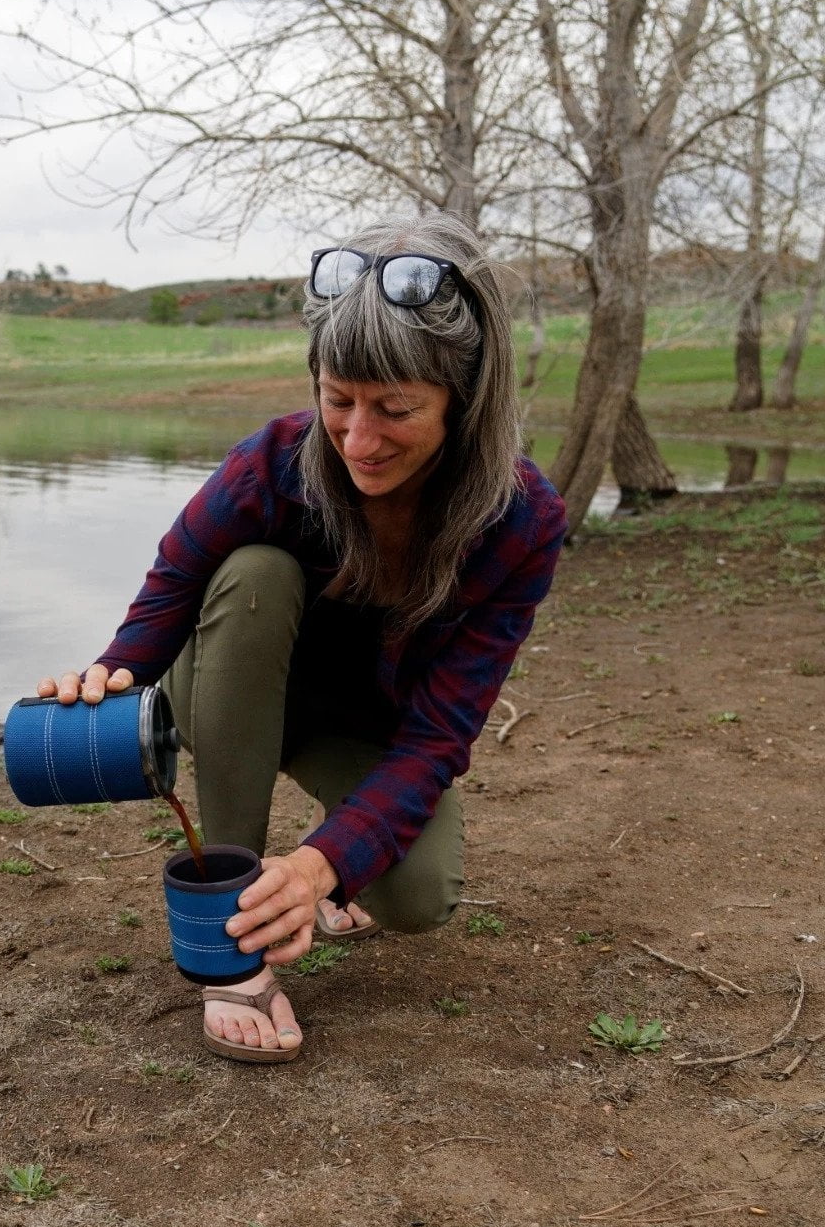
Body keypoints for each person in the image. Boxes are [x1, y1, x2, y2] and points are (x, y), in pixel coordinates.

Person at [34, 210, 567, 1063]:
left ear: (464, 402)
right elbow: (171, 590)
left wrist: (326, 862)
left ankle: (320, 869)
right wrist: (106, 676)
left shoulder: (521, 522)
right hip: (231, 683)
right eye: (337, 400)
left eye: (395, 409)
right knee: (255, 571)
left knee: (420, 899)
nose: (358, 439)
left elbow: (437, 737)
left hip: (355, 720)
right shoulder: (275, 462)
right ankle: (230, 944)